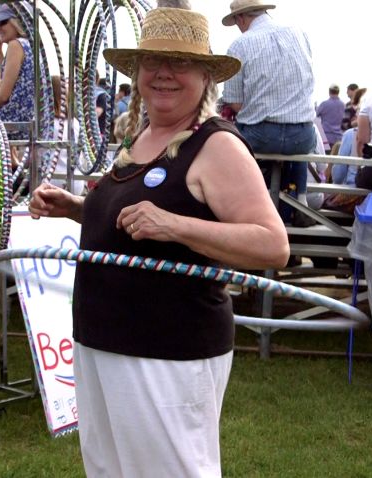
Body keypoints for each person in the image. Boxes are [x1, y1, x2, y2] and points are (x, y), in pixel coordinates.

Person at [28, 7, 288, 476]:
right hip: (101, 338)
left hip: (167, 347)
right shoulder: (143, 135)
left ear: (207, 76)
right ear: (137, 71)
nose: (165, 73)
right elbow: (134, 222)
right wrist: (75, 207)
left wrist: (176, 226)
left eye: (182, 62)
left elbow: (272, 245)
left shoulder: (216, 146)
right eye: (153, 61)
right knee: (109, 470)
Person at [222, 0, 317, 224]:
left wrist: (258, 111)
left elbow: (234, 102)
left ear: (241, 18)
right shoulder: (300, 33)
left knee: (238, 139)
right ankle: (299, 198)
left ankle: (249, 206)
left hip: (260, 136)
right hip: (302, 137)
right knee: (297, 135)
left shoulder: (240, 44)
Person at [0, 5, 34, 138]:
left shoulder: (16, 45)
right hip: (30, 117)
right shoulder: (29, 45)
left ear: (17, 22)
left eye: (3, 22)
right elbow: (5, 79)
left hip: (16, 119)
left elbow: (4, 95)